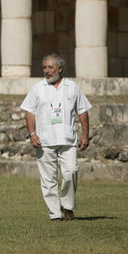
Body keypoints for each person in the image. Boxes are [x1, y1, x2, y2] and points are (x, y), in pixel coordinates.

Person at [20, 54, 91, 221]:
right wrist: (32, 133)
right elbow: (29, 112)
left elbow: (82, 110)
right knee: (48, 179)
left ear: (60, 69)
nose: (46, 71)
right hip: (44, 140)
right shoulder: (37, 88)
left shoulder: (72, 87)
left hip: (67, 139)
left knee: (71, 172)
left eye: (50, 67)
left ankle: (67, 206)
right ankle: (55, 214)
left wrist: (85, 134)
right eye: (45, 67)